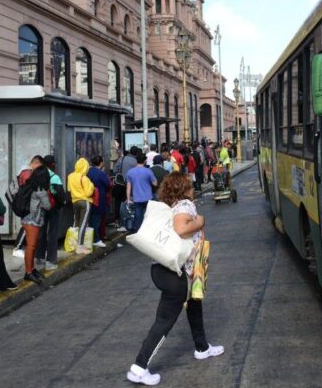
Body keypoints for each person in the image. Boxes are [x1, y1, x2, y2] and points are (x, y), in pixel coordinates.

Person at [126, 172, 224, 385]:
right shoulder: (185, 206)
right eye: (190, 185)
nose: (193, 188)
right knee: (164, 321)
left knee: (194, 302)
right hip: (175, 274)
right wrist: (200, 221)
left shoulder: (170, 207)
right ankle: (139, 367)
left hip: (165, 269)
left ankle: (202, 347)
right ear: (184, 188)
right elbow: (181, 229)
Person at [21, 165, 52, 284]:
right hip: (33, 221)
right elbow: (48, 206)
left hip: (28, 219)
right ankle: (28, 272)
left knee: (31, 246)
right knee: (31, 246)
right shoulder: (41, 191)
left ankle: (31, 269)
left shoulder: (32, 186)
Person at [36, 155, 64, 271]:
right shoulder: (55, 177)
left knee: (41, 232)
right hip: (53, 208)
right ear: (52, 165)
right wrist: (60, 204)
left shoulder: (37, 175)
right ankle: (50, 261)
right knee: (52, 233)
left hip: (41, 207)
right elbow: (60, 196)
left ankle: (39, 258)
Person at [68, 158, 95, 253]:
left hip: (74, 201)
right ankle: (80, 246)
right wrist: (92, 186)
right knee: (83, 223)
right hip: (84, 202)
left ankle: (72, 243)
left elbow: (69, 189)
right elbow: (88, 193)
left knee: (76, 222)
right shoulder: (84, 178)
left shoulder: (70, 176)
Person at [126, 153, 157, 232]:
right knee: (148, 216)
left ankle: (139, 232)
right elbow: (155, 183)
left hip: (137, 198)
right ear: (145, 161)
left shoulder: (130, 172)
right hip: (148, 197)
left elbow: (128, 187)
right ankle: (148, 231)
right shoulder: (148, 171)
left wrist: (128, 199)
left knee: (138, 218)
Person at [87, 155, 110, 248]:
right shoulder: (101, 173)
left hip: (88, 198)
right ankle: (96, 239)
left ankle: (91, 238)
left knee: (90, 219)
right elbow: (107, 184)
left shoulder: (88, 171)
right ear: (101, 163)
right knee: (96, 220)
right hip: (99, 199)